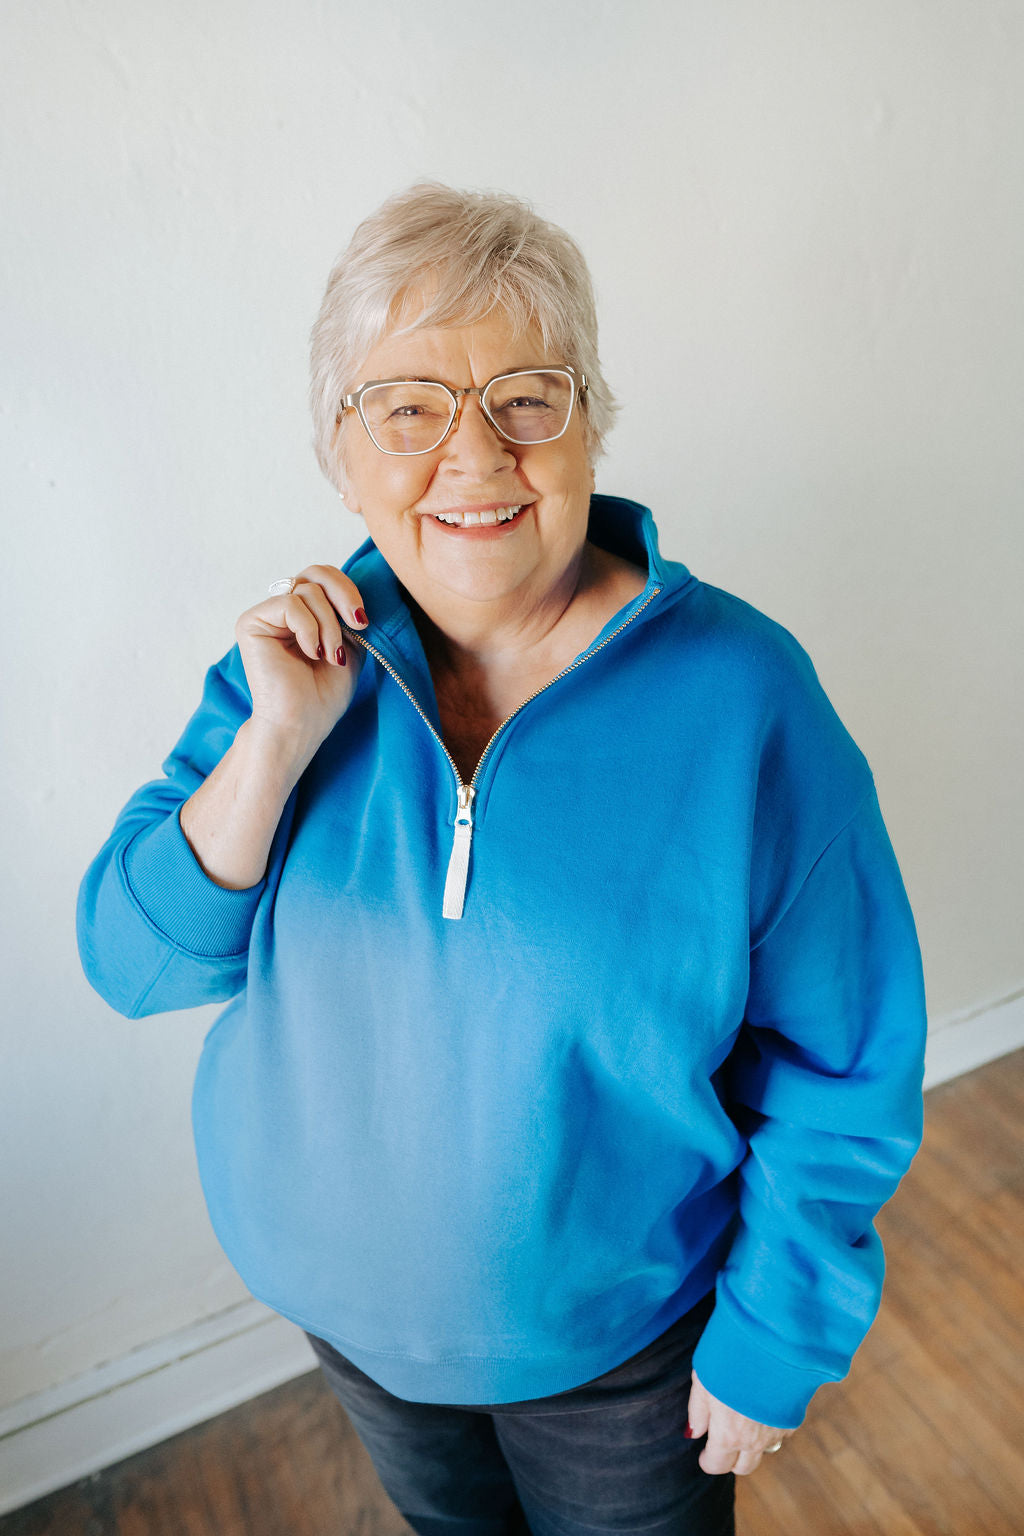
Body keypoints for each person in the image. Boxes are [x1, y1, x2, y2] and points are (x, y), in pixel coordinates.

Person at [78, 183, 928, 1536]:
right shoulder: (289, 672)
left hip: (623, 1351)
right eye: (407, 407)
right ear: (340, 451)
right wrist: (276, 743)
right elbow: (132, 967)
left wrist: (778, 1333)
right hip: (352, 1331)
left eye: (527, 399)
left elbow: (847, 1062)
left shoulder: (747, 700)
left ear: (590, 422)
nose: (474, 458)